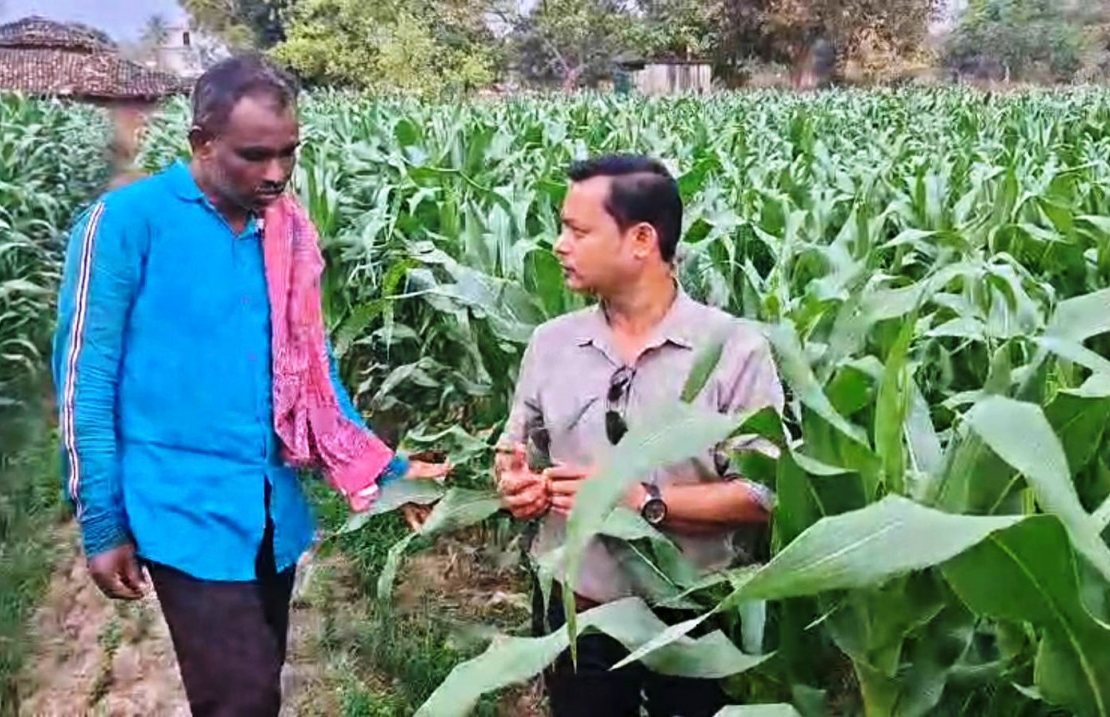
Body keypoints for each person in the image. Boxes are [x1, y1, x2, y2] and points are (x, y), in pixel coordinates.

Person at [52, 54, 446, 716]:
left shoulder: (286, 231)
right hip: (179, 508)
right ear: (201, 142)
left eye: (289, 153)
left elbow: (314, 377)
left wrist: (390, 469)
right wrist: (101, 518)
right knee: (241, 699)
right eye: (254, 155)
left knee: (259, 678)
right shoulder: (123, 223)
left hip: (272, 511)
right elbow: (83, 383)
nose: (276, 173)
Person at [495, 155, 784, 717]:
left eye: (578, 231)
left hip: (693, 614)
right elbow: (515, 453)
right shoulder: (551, 344)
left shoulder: (734, 350)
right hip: (578, 611)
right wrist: (515, 485)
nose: (559, 245)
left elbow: (763, 494)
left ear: (641, 240)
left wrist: (642, 502)